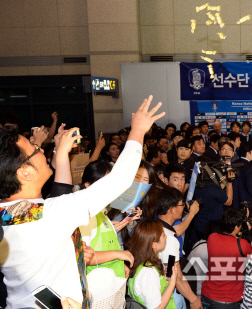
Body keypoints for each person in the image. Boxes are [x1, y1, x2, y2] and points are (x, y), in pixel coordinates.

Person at [0, 95, 164, 308]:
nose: (41, 150)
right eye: (35, 150)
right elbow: (119, 180)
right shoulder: (46, 215)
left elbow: (59, 201)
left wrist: (71, 251)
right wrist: (138, 131)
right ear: (24, 172)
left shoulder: (11, 214)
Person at [156, 188, 202, 309]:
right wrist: (194, 300)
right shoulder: (169, 241)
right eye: (182, 204)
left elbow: (176, 231)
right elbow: (174, 275)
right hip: (169, 297)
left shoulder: (154, 227)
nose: (183, 207)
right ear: (172, 210)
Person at [201, 209, 252, 308]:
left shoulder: (212, 237)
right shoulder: (242, 244)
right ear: (237, 227)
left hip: (207, 294)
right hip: (228, 300)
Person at [127, 220, 177, 309]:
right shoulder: (148, 271)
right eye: (162, 235)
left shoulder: (139, 260)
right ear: (154, 244)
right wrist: (172, 284)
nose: (165, 237)